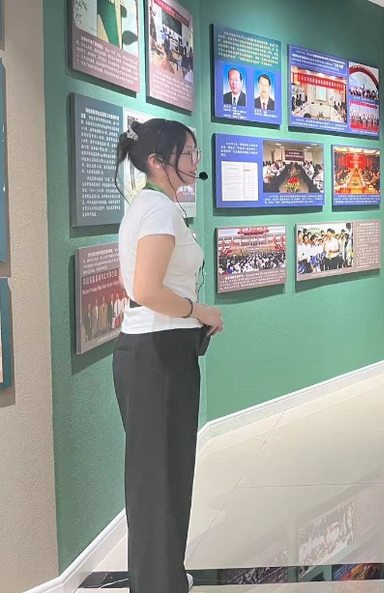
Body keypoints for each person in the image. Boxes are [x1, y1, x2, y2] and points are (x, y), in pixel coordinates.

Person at [113, 118, 224, 593]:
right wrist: (200, 311)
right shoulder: (158, 210)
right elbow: (146, 290)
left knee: (165, 473)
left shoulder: (156, 206)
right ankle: (159, 583)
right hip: (157, 353)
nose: (196, 161)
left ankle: (164, 577)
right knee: (158, 478)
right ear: (159, 161)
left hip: (159, 351)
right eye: (189, 153)